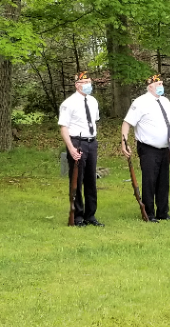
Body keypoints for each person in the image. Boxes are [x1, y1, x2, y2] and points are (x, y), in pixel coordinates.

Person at [121, 74, 170, 222]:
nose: (161, 86)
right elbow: (127, 122)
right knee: (149, 181)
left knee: (163, 182)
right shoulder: (141, 102)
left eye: (162, 84)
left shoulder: (165, 101)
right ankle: (149, 213)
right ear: (150, 86)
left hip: (165, 148)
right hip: (148, 148)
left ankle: (163, 212)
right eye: (158, 84)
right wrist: (124, 142)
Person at [59, 71, 103, 227]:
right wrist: (70, 148)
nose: (88, 85)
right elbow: (64, 128)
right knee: (77, 178)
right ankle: (77, 216)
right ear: (77, 85)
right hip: (77, 142)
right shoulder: (68, 103)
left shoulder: (93, 101)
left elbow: (94, 120)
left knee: (91, 179)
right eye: (85, 83)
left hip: (91, 142)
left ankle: (90, 215)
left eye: (89, 82)